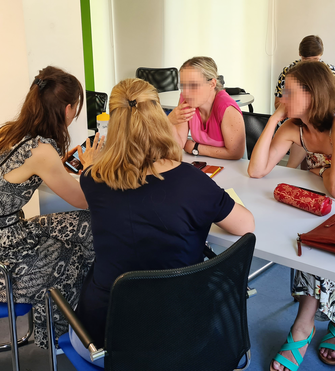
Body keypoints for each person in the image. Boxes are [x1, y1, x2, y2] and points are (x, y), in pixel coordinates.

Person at [73, 78, 255, 367]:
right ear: (159, 115)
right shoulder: (192, 181)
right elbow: (246, 226)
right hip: (186, 332)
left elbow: (105, 179)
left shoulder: (92, 179)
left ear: (115, 122)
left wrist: (90, 165)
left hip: (105, 340)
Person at [247, 61, 335, 370]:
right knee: (307, 242)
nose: (282, 98)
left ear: (312, 96)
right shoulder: (294, 126)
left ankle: (310, 325)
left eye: (288, 93)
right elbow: (256, 170)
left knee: (329, 247)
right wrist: (273, 119)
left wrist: (320, 167)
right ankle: (330, 323)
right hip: (330, 204)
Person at [0, 66, 104, 348]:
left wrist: (58, 161)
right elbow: (83, 199)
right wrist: (90, 167)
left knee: (81, 228)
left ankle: (64, 327)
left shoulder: (8, 132)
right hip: (2, 253)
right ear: (68, 109)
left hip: (3, 232)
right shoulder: (41, 151)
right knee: (77, 246)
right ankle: (62, 333)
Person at [167, 56, 245, 160]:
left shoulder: (227, 108)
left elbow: (235, 154)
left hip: (233, 168)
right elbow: (177, 148)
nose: (185, 92)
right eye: (183, 86)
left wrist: (196, 148)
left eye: (193, 85)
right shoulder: (186, 101)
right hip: (203, 164)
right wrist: (169, 122)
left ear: (212, 84)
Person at [274, 35, 335, 110]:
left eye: (315, 59)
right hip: (293, 117)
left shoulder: (330, 72)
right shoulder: (288, 71)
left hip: (321, 118)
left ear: (321, 55)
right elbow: (277, 103)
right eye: (306, 60)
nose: (311, 64)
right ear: (300, 54)